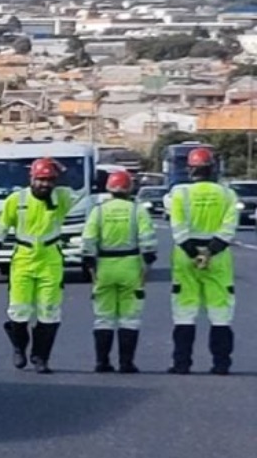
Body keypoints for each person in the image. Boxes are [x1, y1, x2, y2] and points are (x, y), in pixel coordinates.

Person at [0, 157, 83, 374]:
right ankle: (19, 347)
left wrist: (64, 170)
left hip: (50, 260)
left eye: (49, 180)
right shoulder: (16, 200)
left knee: (49, 313)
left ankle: (41, 358)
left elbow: (80, 190)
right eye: (40, 180)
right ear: (32, 179)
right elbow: (0, 226)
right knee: (19, 311)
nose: (45, 184)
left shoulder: (62, 197)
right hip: (23, 259)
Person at [167, 146, 239, 375]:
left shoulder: (180, 194)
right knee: (220, 315)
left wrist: (193, 253)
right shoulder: (227, 194)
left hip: (186, 258)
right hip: (217, 258)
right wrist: (209, 252)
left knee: (184, 312)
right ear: (213, 169)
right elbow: (229, 229)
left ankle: (182, 364)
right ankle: (221, 364)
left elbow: (177, 227)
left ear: (190, 170)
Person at [81, 170, 156, 373]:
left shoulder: (99, 211)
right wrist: (148, 260)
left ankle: (102, 362)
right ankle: (126, 362)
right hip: (130, 265)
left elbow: (88, 239)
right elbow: (148, 239)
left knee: (103, 317)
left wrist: (89, 263)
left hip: (105, 266)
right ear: (129, 188)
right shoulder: (136, 210)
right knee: (129, 318)